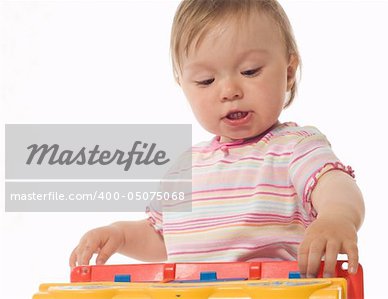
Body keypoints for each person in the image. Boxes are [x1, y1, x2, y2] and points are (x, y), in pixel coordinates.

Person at [69, 0, 365, 279]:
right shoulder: (186, 167)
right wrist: (119, 234)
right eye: (206, 81)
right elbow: (161, 237)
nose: (229, 91)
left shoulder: (294, 147)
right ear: (183, 85)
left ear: (288, 73)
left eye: (250, 71)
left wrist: (337, 216)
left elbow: (335, 185)